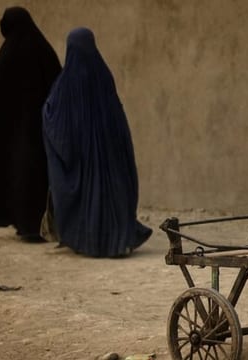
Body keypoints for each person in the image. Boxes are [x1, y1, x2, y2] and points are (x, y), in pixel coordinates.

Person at [41, 27, 152, 257]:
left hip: (83, 163)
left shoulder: (65, 85)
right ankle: (117, 241)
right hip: (111, 159)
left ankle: (90, 241)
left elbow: (55, 124)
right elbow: (118, 119)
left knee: (87, 198)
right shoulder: (103, 76)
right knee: (112, 196)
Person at [0, 6, 62, 241]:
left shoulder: (8, 54)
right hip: (41, 132)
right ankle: (37, 224)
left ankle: (25, 224)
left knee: (19, 175)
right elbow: (57, 83)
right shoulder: (43, 50)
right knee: (38, 176)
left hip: (14, 135)